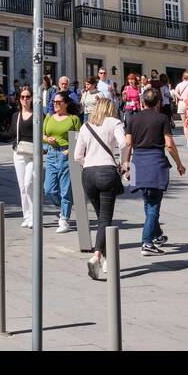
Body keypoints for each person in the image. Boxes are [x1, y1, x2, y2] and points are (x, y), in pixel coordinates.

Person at [125, 85, 186, 255]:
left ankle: (157, 234)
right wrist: (179, 164)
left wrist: (125, 163)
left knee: (147, 200)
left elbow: (128, 143)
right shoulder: (162, 119)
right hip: (155, 162)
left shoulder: (133, 119)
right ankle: (147, 242)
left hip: (137, 162)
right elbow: (169, 144)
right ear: (158, 103)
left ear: (143, 101)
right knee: (153, 205)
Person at [74, 96, 128, 281]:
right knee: (105, 218)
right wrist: (123, 162)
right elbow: (124, 144)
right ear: (110, 108)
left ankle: (107, 259)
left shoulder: (85, 126)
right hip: (106, 171)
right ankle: (97, 256)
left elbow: (77, 156)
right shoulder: (115, 122)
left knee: (102, 219)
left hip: (88, 174)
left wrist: (88, 162)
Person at [42, 90, 82, 233]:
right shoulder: (49, 117)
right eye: (54, 102)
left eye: (58, 102)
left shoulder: (73, 119)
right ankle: (65, 206)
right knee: (48, 189)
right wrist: (47, 139)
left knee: (65, 189)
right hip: (52, 154)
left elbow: (79, 138)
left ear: (66, 103)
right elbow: (42, 134)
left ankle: (64, 219)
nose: (55, 104)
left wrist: (70, 150)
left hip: (66, 154)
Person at [9, 85, 40, 229]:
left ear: (32, 98)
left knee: (29, 184)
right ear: (19, 99)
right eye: (23, 97)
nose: (25, 99)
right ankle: (26, 216)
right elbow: (11, 135)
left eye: (28, 96)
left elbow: (42, 133)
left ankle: (34, 215)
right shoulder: (16, 115)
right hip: (19, 153)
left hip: (33, 153)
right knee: (22, 186)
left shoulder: (38, 114)